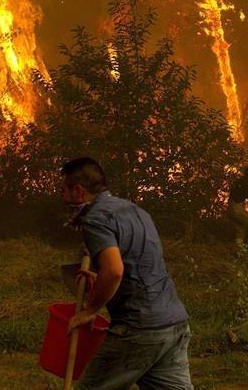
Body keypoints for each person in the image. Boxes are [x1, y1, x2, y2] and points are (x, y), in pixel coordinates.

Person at [61, 157, 192, 389]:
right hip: (174, 324)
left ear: (78, 191)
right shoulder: (135, 210)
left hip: (139, 330)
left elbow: (114, 271)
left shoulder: (95, 219)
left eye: (64, 190)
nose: (62, 197)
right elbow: (138, 265)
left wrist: (89, 310)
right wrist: (99, 278)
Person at [227, 166, 248, 247]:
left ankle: (239, 249)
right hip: (237, 210)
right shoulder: (246, 186)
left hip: (230, 209)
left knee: (241, 229)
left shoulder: (236, 182)